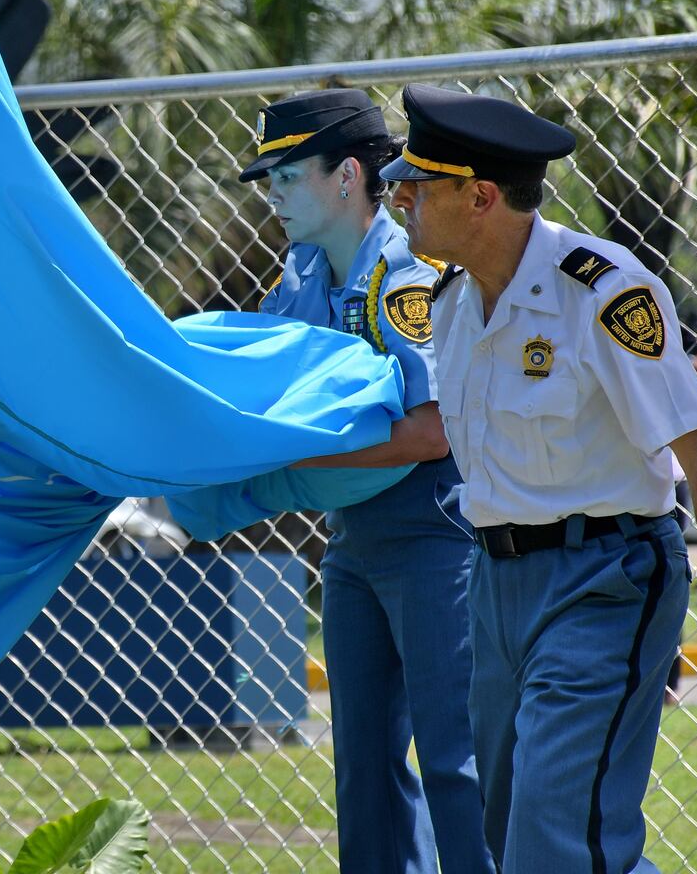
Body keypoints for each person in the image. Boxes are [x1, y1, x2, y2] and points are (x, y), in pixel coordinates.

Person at [382, 82, 697, 873]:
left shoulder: (606, 292)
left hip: (605, 579)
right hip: (494, 588)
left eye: (417, 186)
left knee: (552, 840)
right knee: (516, 836)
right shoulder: (454, 303)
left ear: (481, 197)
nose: (399, 199)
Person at [243, 88, 493, 874]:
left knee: (457, 761)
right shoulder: (302, 275)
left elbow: (432, 431)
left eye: (287, 176)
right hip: (351, 548)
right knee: (363, 770)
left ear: (348, 175)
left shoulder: (406, 278)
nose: (274, 195)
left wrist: (294, 462)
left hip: (434, 542)